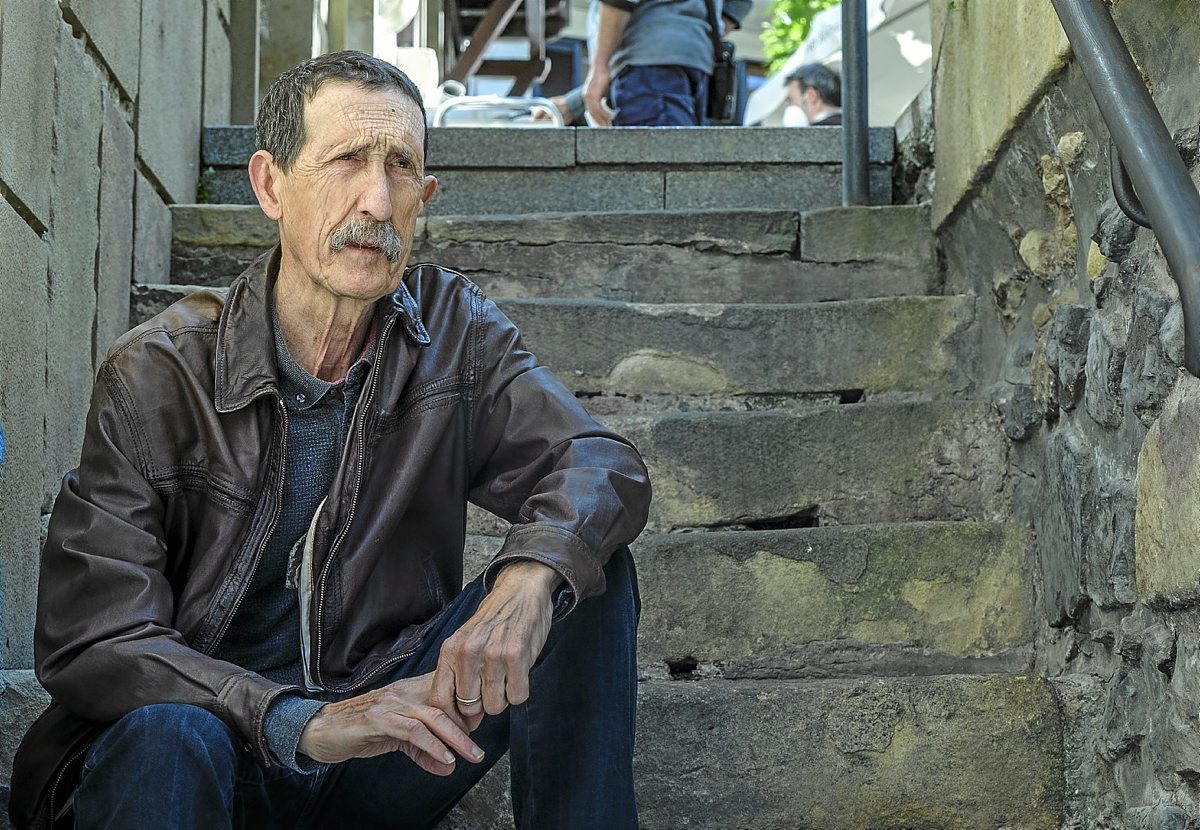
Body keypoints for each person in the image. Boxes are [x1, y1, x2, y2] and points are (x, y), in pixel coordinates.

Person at [9, 50, 651, 830]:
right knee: (169, 733)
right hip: (196, 759)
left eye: (400, 167)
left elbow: (598, 462)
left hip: (374, 752)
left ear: (424, 196)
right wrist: (300, 721)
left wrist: (527, 579)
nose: (376, 200)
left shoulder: (454, 334)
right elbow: (95, 638)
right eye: (345, 160)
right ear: (270, 185)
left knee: (583, 572)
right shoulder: (160, 372)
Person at [581, 0, 752, 126]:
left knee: (661, 157)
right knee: (679, 155)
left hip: (647, 59)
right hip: (697, 62)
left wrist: (599, 67)